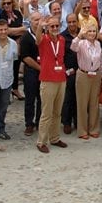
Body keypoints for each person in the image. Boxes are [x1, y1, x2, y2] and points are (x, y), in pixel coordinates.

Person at [35, 16, 70, 154]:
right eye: (52, 26)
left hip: (60, 79)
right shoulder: (44, 39)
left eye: (57, 26)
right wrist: (40, 27)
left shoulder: (61, 40)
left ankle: (54, 138)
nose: (55, 28)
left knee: (57, 112)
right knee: (47, 113)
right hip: (48, 80)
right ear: (47, 28)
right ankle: (41, 141)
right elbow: (38, 38)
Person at [71, 24, 102, 140]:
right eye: (89, 31)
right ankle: (82, 130)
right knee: (82, 103)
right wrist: (79, 36)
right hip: (83, 74)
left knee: (94, 102)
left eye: (94, 31)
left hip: (96, 74)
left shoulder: (98, 44)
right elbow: (72, 47)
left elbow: (100, 60)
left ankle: (94, 128)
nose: (92, 33)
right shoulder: (80, 43)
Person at [19, 12, 43, 137]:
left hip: (43, 71)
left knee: (41, 98)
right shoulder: (25, 37)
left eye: (40, 19)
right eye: (35, 20)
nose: (38, 22)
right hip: (31, 71)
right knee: (30, 98)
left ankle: (39, 122)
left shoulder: (44, 34)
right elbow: (26, 57)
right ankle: (29, 123)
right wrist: (40, 68)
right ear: (30, 21)